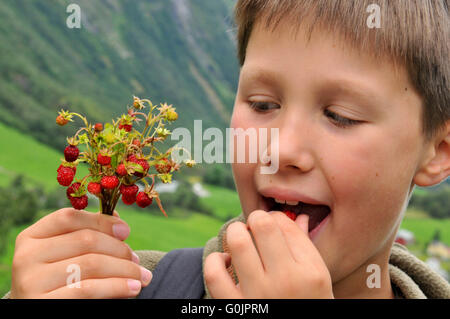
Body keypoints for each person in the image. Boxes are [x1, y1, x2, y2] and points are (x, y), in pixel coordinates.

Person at [4, 0, 450, 299]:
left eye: (340, 115)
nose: (279, 148)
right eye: (262, 104)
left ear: (438, 151)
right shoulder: (135, 288)